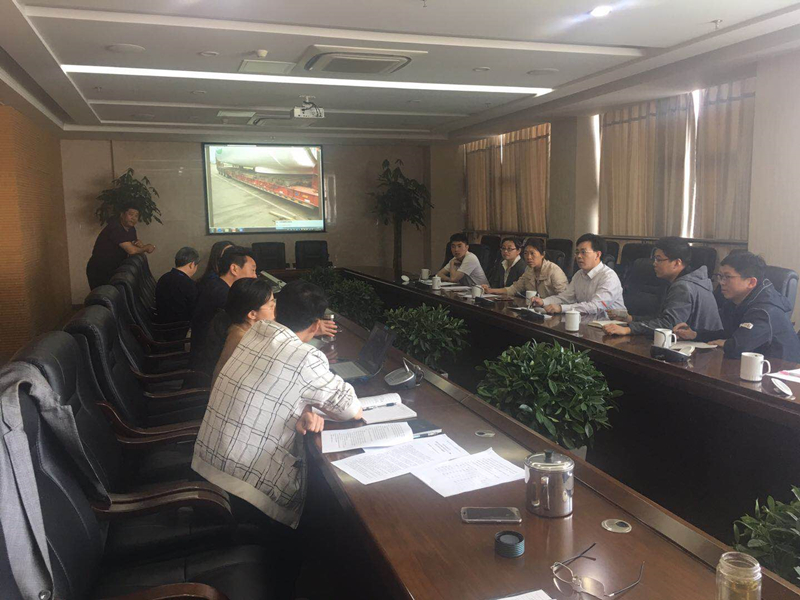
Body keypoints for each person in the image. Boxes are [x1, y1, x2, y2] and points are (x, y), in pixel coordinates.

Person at [673, 252, 800, 362]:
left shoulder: (764, 310)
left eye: (727, 277)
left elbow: (738, 347)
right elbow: (727, 333)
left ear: (751, 282)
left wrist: (726, 343)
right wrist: (695, 334)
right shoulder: (735, 302)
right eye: (720, 276)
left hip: (780, 372)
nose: (721, 282)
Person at [603, 237, 722, 336]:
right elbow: (661, 317)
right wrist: (631, 319)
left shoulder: (683, 287)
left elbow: (668, 324)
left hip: (702, 350)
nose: (654, 264)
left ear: (677, 263)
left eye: (659, 260)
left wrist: (629, 329)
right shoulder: (681, 281)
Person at [197, 278, 277, 382]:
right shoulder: (244, 341)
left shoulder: (234, 326)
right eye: (271, 305)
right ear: (252, 314)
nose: (275, 308)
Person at [189, 247, 257, 368]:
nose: (255, 276)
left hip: (204, 354)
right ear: (234, 269)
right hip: (209, 363)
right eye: (252, 270)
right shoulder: (223, 295)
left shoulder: (216, 285)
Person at [532, 233, 625, 314]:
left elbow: (596, 306)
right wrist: (543, 302)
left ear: (597, 255)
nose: (579, 256)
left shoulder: (608, 277)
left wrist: (561, 308)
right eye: (577, 252)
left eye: (583, 252)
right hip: (588, 321)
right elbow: (566, 298)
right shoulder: (579, 274)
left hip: (612, 324)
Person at [85, 204, 156, 289]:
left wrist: (139, 245)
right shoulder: (115, 227)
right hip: (100, 269)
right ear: (122, 214)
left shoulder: (131, 229)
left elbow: (133, 245)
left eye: (136, 216)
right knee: (104, 295)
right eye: (131, 214)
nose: (133, 218)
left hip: (115, 268)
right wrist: (146, 247)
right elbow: (131, 250)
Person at [483, 237, 568, 299]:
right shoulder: (529, 270)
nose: (528, 257)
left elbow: (565, 297)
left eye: (532, 253)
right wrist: (491, 291)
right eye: (526, 253)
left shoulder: (554, 271)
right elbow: (514, 289)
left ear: (542, 254)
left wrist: (546, 303)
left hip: (552, 311)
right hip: (534, 309)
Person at [154, 246, 200, 324]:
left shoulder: (164, 277)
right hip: (180, 327)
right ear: (192, 265)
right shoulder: (188, 284)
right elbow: (195, 311)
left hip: (162, 324)